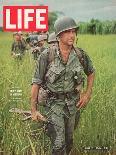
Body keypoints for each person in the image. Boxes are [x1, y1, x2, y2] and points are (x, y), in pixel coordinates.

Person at [31, 16, 95, 155]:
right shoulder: (46, 55)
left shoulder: (80, 54)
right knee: (59, 144)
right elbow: (36, 82)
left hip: (73, 104)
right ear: (59, 35)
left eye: (74, 31)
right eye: (68, 32)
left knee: (69, 140)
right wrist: (34, 110)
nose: (72, 35)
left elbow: (91, 72)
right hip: (53, 104)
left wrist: (87, 94)